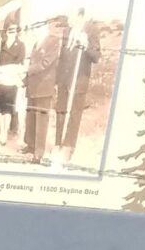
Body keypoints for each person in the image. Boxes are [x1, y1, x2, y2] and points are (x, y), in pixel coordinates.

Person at [24, 14, 71, 163]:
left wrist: (27, 69)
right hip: (33, 84)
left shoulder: (55, 41)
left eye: (52, 24)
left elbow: (45, 63)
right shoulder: (40, 40)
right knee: (31, 116)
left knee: (41, 120)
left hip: (44, 85)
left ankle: (39, 152)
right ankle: (30, 145)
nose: (49, 26)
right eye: (48, 23)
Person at [58, 15, 102, 164]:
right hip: (64, 79)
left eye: (71, 15)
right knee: (61, 112)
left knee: (74, 115)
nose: (68, 18)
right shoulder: (67, 31)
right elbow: (62, 56)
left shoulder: (91, 30)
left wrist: (85, 45)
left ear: (80, 15)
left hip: (79, 78)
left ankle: (68, 148)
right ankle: (58, 144)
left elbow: (96, 56)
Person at [0, 10, 26, 147]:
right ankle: (2, 133)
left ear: (17, 31)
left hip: (12, 81)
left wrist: (10, 70)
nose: (12, 32)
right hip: (1, 81)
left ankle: (5, 133)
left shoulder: (20, 45)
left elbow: (20, 62)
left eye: (14, 30)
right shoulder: (2, 44)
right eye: (10, 30)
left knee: (8, 109)